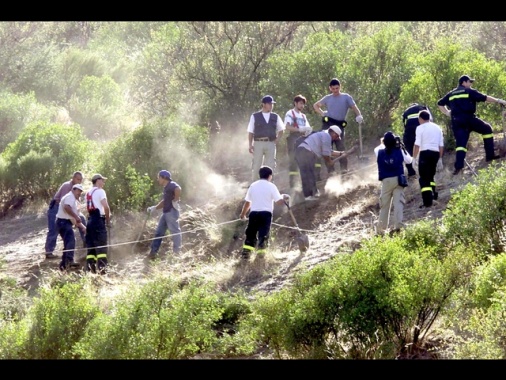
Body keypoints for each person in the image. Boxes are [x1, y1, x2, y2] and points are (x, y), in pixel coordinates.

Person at [437, 74, 506, 175]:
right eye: (470, 82)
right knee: (487, 129)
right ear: (464, 82)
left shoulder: (451, 94)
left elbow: (439, 103)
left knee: (460, 145)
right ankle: (490, 156)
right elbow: (485, 98)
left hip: (457, 121)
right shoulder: (468, 91)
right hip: (469, 119)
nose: (470, 84)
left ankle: (458, 168)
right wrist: (498, 101)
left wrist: (448, 113)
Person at [313, 78, 364, 175]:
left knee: (341, 146)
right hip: (328, 124)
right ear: (330, 88)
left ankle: (344, 170)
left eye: (337, 88)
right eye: (333, 89)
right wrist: (322, 114)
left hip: (340, 125)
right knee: (327, 148)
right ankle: (331, 172)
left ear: (340, 87)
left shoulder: (346, 97)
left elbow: (354, 107)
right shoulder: (328, 98)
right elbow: (316, 105)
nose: (335, 90)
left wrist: (359, 115)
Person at [239, 166, 290, 260]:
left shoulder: (253, 185)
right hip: (265, 214)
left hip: (253, 214)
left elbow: (248, 202)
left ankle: (246, 255)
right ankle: (261, 256)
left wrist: (243, 214)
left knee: (250, 234)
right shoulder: (271, 186)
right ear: (270, 176)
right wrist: (284, 197)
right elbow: (278, 202)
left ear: (260, 175)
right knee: (263, 235)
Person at [295, 125, 355, 201]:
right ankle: (309, 196)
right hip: (305, 151)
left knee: (309, 173)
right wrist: (329, 161)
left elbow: (329, 151)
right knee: (308, 173)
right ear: (333, 133)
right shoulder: (327, 136)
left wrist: (341, 153)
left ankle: (312, 194)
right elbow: (325, 154)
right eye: (336, 137)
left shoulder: (324, 135)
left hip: (303, 151)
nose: (336, 139)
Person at [375, 131, 413, 235]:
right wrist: (402, 147)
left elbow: (378, 149)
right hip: (398, 179)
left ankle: (381, 230)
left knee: (384, 205)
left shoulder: (379, 151)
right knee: (398, 203)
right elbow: (409, 161)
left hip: (386, 181)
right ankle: (398, 226)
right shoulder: (399, 150)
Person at [44, 171, 86, 259]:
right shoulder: (67, 186)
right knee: (53, 229)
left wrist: (77, 216)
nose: (79, 181)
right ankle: (49, 252)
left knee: (82, 219)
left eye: (80, 180)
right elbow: (65, 205)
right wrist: (74, 217)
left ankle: (87, 242)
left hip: (67, 208)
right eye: (78, 179)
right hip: (56, 208)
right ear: (73, 178)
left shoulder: (77, 188)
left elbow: (75, 203)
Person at [247, 95, 285, 182]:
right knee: (256, 164)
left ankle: (270, 184)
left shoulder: (275, 116)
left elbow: (281, 129)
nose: (271, 106)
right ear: (263, 104)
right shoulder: (255, 116)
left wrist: (277, 139)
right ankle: (255, 184)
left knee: (270, 165)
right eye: (269, 104)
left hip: (270, 143)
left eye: (272, 104)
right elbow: (250, 131)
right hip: (258, 142)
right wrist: (250, 144)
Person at [412, 110, 445, 208]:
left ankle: (427, 202)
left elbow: (417, 144)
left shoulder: (419, 128)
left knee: (423, 178)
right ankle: (434, 195)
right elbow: (441, 145)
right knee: (431, 176)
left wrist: (414, 158)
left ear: (420, 119)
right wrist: (440, 158)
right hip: (435, 154)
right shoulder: (437, 127)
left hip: (425, 153)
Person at [147, 170, 182, 259]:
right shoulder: (166, 187)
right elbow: (164, 202)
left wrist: (176, 200)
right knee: (159, 232)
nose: (158, 179)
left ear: (164, 178)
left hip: (171, 212)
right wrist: (154, 208)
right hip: (166, 213)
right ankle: (153, 253)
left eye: (159, 177)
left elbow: (178, 189)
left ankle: (177, 253)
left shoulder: (171, 184)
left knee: (175, 232)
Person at [55, 184, 87, 270]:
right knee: (71, 240)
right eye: (78, 191)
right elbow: (67, 207)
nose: (79, 193)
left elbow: (73, 218)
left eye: (81, 192)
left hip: (63, 222)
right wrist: (77, 217)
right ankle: (69, 261)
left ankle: (63, 265)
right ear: (73, 189)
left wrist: (83, 227)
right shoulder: (70, 197)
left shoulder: (72, 199)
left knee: (68, 242)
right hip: (63, 222)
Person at [284, 94, 312, 190]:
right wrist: (299, 129)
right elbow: (287, 127)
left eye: (303, 104)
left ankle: (304, 183)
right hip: (293, 138)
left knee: (304, 160)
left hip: (303, 138)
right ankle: (293, 184)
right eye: (300, 103)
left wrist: (308, 130)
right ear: (295, 103)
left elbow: (307, 128)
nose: (302, 106)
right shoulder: (290, 113)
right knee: (293, 160)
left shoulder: (303, 116)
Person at [85, 173, 111, 274]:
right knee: (101, 247)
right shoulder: (100, 191)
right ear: (97, 180)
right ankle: (103, 271)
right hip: (98, 221)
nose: (104, 182)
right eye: (102, 180)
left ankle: (90, 272)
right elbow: (106, 207)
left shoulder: (88, 193)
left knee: (91, 249)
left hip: (90, 221)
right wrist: (108, 220)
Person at [401, 103, 432, 177]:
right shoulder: (423, 107)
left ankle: (411, 173)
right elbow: (430, 120)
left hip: (409, 134)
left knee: (408, 151)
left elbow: (405, 125)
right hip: (423, 131)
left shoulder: (406, 111)